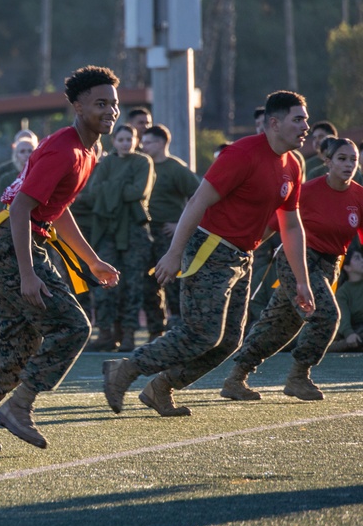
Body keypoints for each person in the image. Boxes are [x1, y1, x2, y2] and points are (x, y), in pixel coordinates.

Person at [0, 65, 121, 453]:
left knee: (17, 344)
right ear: (78, 106)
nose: (111, 111)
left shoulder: (90, 150)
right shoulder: (63, 149)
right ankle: (20, 406)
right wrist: (27, 274)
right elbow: (20, 209)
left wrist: (92, 260)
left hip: (19, 240)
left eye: (114, 104)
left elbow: (58, 210)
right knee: (73, 326)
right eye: (101, 104)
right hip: (8, 242)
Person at [103, 90, 315, 418]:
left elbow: (291, 226)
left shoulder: (293, 165)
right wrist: (174, 254)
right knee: (201, 333)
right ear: (274, 123)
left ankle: (161, 388)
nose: (306, 126)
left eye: (306, 119)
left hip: (242, 258)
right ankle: (125, 369)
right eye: (298, 119)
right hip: (210, 249)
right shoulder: (242, 154)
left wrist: (302, 282)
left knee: (229, 340)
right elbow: (197, 202)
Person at [222, 138, 363, 401]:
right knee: (325, 315)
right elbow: (274, 224)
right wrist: (245, 248)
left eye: (353, 159)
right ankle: (299, 377)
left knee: (280, 325)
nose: (349, 165)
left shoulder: (359, 196)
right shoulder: (307, 191)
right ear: (328, 162)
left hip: (329, 265)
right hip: (297, 259)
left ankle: (235, 378)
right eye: (342, 159)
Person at [84, 124, 153, 352]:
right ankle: (106, 333)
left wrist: (110, 189)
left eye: (128, 139)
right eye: (120, 139)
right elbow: (93, 191)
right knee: (104, 282)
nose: (125, 143)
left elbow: (138, 192)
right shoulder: (107, 164)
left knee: (132, 286)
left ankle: (129, 335)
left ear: (135, 140)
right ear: (113, 141)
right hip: (108, 230)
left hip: (134, 231)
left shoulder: (143, 162)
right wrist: (121, 186)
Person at [139, 124, 200, 334]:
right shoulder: (141, 165)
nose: (143, 146)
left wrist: (179, 225)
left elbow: (200, 197)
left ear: (162, 143)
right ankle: (156, 330)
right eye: (142, 142)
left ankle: (179, 329)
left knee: (172, 282)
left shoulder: (176, 169)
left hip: (168, 234)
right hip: (146, 233)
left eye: (148, 143)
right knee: (148, 283)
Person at [0, 132, 38, 212]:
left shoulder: (41, 175)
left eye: (30, 151)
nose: (26, 154)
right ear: (16, 154)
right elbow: (0, 205)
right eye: (22, 151)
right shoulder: (5, 177)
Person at [330, 247, 363, 352]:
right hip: (356, 330)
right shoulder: (343, 292)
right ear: (347, 267)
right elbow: (343, 316)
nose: (362, 260)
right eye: (357, 258)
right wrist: (349, 333)